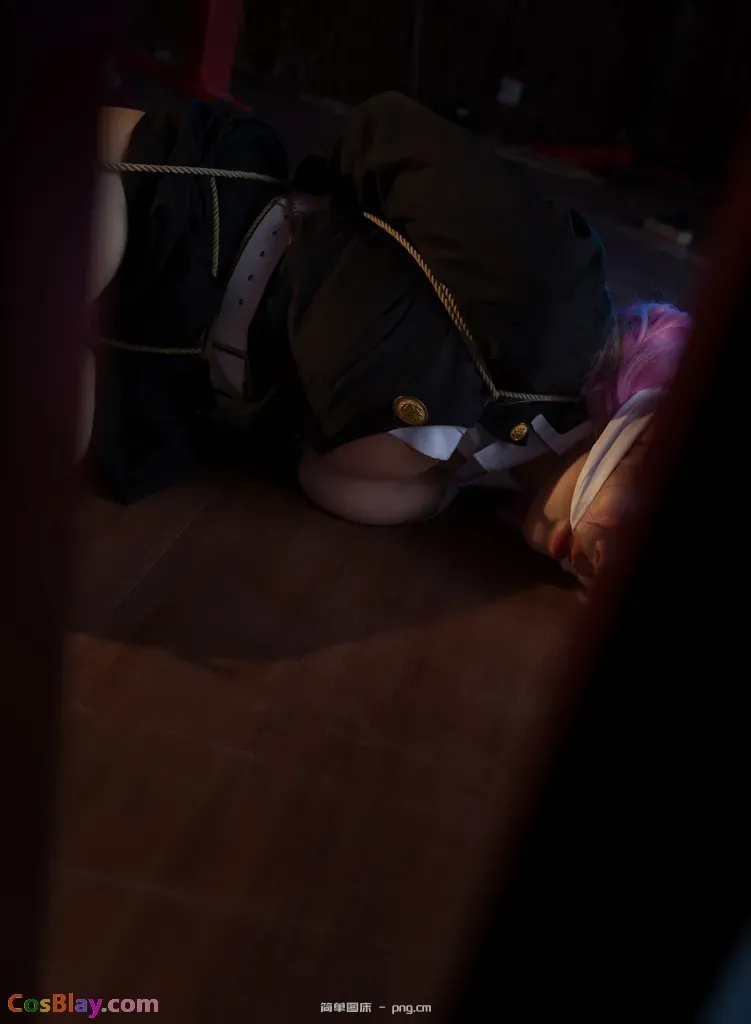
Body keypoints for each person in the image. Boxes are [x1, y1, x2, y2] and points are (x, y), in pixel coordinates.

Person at [86, 91, 692, 588]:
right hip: (176, 216)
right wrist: (319, 236)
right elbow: (385, 134)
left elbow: (318, 472)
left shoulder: (465, 487)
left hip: (157, 377)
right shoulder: (557, 298)